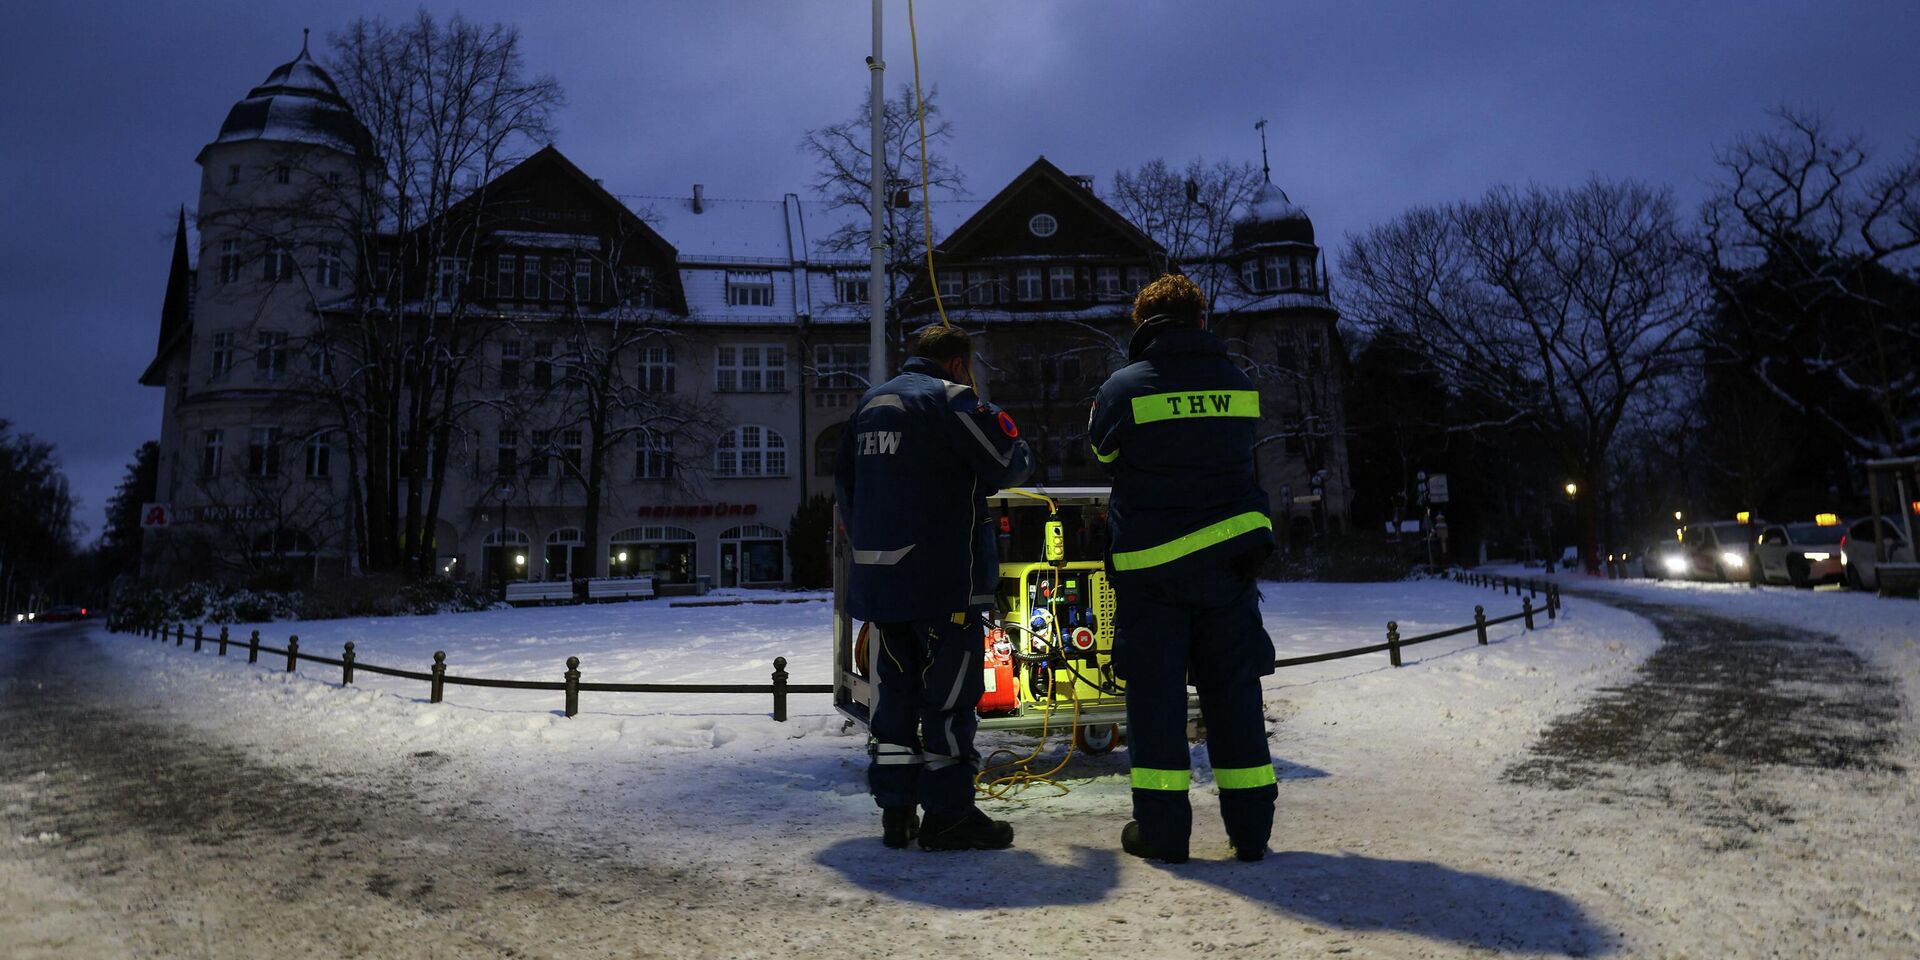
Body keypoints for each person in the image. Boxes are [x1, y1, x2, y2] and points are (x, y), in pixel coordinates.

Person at [1088, 273, 1278, 864]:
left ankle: (1165, 835)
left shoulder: (1124, 388)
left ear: (1143, 327)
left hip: (1153, 575)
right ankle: (1250, 832)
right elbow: (1239, 452)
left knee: (1157, 703)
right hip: (1230, 567)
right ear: (1201, 321)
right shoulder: (1237, 382)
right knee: (1235, 697)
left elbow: (1103, 452)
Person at [836, 324, 1034, 851]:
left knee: (892, 701)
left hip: (880, 584)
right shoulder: (950, 400)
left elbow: (845, 491)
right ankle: (949, 816)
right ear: (956, 364)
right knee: (948, 701)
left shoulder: (870, 404)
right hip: (942, 581)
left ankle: (896, 813)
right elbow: (1009, 460)